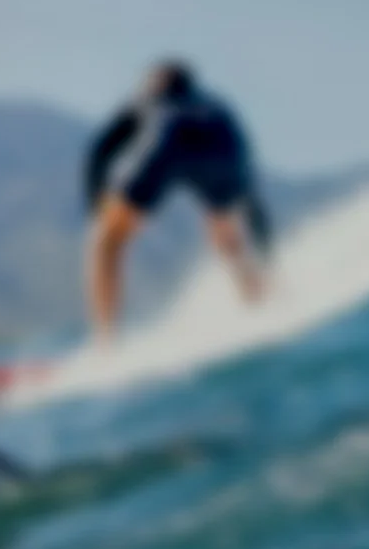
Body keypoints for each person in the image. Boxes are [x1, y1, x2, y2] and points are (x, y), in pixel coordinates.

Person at [81, 61, 273, 343]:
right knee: (229, 241)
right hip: (221, 153)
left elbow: (100, 150)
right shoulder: (218, 108)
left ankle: (105, 342)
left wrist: (96, 206)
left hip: (165, 147)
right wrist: (268, 252)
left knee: (106, 241)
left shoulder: (148, 99)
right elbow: (248, 186)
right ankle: (261, 305)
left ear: (154, 83)